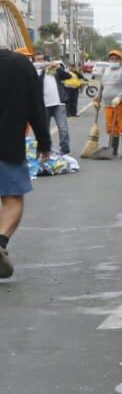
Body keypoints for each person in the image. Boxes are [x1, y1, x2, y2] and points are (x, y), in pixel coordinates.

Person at [0, 46, 52, 278]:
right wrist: (44, 141)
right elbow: (35, 106)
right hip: (8, 146)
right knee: (12, 201)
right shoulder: (21, 65)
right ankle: (0, 241)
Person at [33, 56, 71, 157]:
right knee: (45, 129)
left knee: (63, 128)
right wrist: (42, 70)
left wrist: (57, 67)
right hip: (44, 104)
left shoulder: (54, 71)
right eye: (38, 60)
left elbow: (67, 76)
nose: (41, 61)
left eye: (42, 59)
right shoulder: (36, 71)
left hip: (59, 103)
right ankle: (47, 149)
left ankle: (65, 149)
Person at [99, 49, 122, 159]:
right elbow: (102, 86)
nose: (113, 60)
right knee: (112, 128)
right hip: (108, 104)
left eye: (116, 59)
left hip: (121, 104)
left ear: (120, 60)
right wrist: (97, 98)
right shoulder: (106, 71)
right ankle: (113, 150)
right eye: (111, 58)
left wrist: (119, 97)